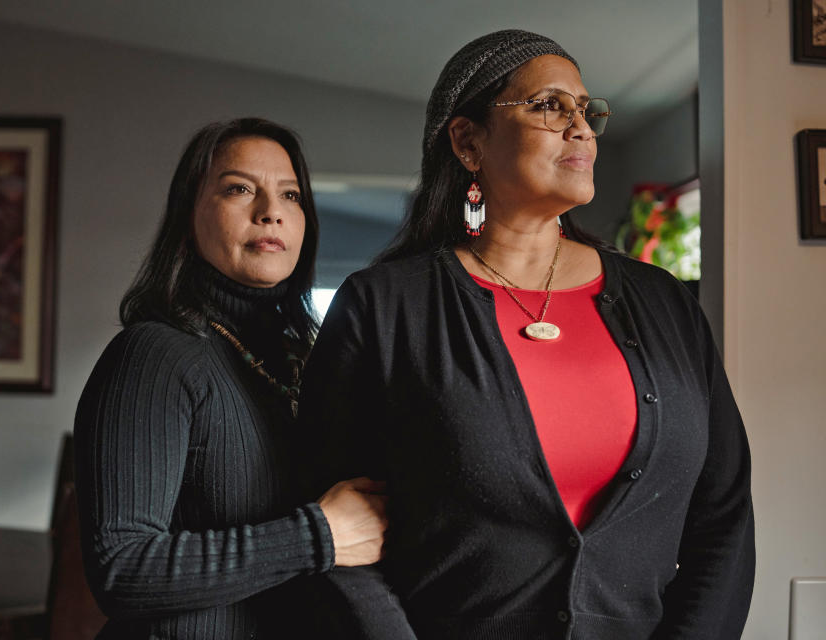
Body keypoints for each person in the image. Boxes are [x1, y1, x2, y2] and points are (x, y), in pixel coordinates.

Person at [300, 31, 755, 639]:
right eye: (549, 106)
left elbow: (723, 516)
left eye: (586, 109)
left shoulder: (665, 303)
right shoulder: (384, 307)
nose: (582, 129)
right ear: (468, 142)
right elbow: (335, 527)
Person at [74, 118, 388, 639]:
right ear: (188, 214)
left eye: (290, 195)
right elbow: (121, 570)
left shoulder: (303, 359)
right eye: (239, 189)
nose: (271, 212)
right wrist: (319, 536)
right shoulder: (154, 353)